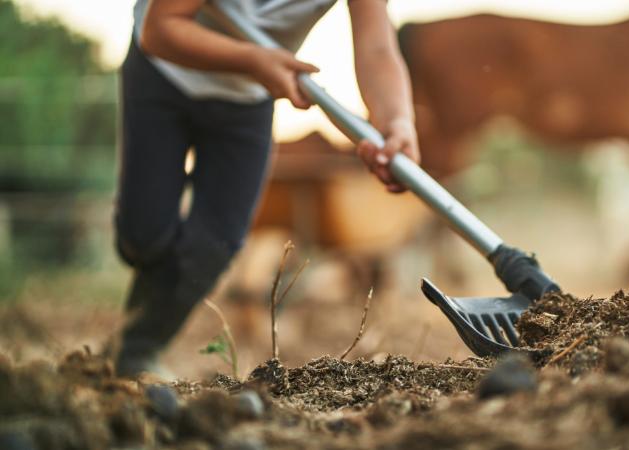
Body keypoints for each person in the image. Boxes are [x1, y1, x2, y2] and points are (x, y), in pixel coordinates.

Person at [115, 0, 419, 377]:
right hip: (163, 75)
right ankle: (139, 267)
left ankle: (138, 350)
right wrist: (255, 60)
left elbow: (376, 44)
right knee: (143, 237)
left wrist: (396, 120)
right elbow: (161, 29)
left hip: (248, 101)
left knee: (215, 243)